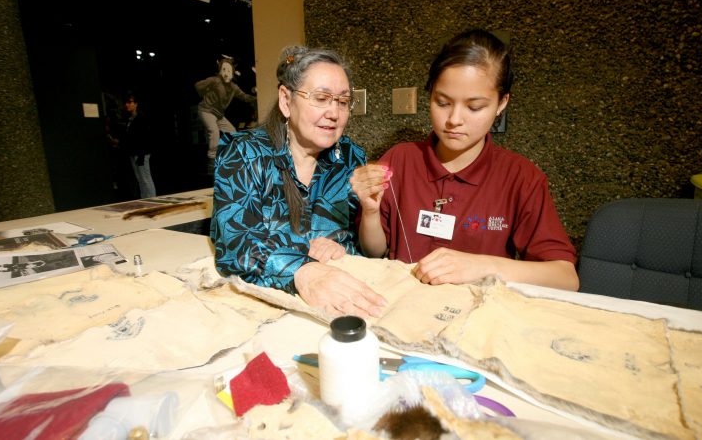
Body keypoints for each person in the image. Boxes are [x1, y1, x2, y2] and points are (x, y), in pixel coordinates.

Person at [351, 29, 579, 291]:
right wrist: (370, 211)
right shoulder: (400, 160)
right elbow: (374, 251)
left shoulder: (521, 177)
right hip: (402, 310)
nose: (454, 119)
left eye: (474, 107)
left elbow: (566, 278)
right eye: (443, 102)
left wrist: (480, 266)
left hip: (478, 321)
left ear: (502, 103)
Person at [210, 46, 387, 318]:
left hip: (336, 300)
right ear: (285, 100)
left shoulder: (351, 157)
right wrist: (304, 268)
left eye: (342, 101)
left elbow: (365, 245)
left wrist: (343, 247)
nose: (334, 113)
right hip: (264, 307)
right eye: (321, 98)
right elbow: (236, 246)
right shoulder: (245, 154)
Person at [195, 57, 257, 164]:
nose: (226, 73)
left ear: (232, 74)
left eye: (228, 70)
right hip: (206, 110)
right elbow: (198, 85)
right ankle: (212, 160)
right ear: (220, 72)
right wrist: (205, 93)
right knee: (214, 131)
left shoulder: (234, 87)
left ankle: (233, 155)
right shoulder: (215, 80)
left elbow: (244, 97)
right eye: (223, 70)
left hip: (218, 114)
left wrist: (257, 97)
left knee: (232, 131)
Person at [110, 92, 157, 199]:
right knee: (140, 179)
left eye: (130, 102)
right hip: (135, 153)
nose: (127, 105)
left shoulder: (141, 118)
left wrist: (141, 155)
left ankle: (152, 200)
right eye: (126, 102)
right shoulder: (131, 119)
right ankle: (146, 199)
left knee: (145, 178)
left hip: (141, 153)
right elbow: (132, 138)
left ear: (136, 104)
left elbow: (145, 138)